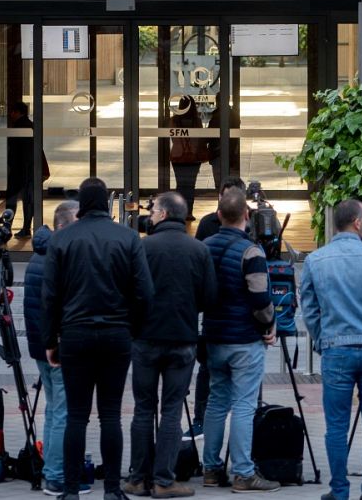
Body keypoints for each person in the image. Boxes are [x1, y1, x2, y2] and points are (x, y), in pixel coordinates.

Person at [42, 177, 154, 500]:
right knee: (110, 415)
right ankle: (112, 490)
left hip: (75, 335)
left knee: (76, 416)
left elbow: (50, 296)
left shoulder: (62, 240)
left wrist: (51, 340)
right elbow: (145, 292)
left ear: (82, 204)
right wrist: (133, 329)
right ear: (106, 202)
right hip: (116, 335)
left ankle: (70, 490)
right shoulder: (128, 238)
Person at [300, 198, 362, 500]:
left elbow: (310, 309)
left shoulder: (316, 260)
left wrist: (323, 338)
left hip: (336, 349)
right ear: (356, 222)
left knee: (336, 426)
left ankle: (339, 490)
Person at [124, 191, 215, 499]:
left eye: (152, 211)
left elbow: (129, 292)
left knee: (143, 408)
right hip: (182, 339)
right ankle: (164, 479)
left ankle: (138, 478)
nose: (149, 216)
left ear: (163, 214)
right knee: (172, 410)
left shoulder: (142, 247)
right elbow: (209, 297)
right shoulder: (199, 249)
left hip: (146, 339)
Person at [199, 186, 280, 493]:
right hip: (244, 339)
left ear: (219, 215)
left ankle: (211, 468)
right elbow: (260, 298)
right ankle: (243, 473)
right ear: (247, 215)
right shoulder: (251, 251)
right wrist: (269, 323)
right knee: (244, 405)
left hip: (214, 336)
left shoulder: (204, 247)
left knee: (216, 401)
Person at [25, 199, 85, 498]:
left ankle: (52, 468)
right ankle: (57, 476)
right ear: (65, 225)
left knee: (53, 410)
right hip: (58, 347)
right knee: (63, 411)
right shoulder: (59, 258)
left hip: (42, 345)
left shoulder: (39, 255)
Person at [191, 176, 244, 436]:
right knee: (207, 371)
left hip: (241, 316)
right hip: (215, 311)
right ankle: (199, 420)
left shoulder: (254, 222)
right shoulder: (207, 224)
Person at [5, 101, 46, 238]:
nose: (10, 114)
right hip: (29, 168)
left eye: (12, 111)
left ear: (18, 112)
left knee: (13, 199)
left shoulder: (20, 127)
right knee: (28, 200)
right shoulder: (30, 125)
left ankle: (8, 227)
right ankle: (26, 227)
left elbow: (18, 152)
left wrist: (14, 166)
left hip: (20, 169)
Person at [168, 97, 207, 209]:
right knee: (190, 185)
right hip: (193, 156)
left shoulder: (173, 120)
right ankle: (189, 211)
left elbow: (173, 138)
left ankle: (179, 210)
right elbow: (200, 139)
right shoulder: (196, 121)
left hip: (177, 155)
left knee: (180, 185)